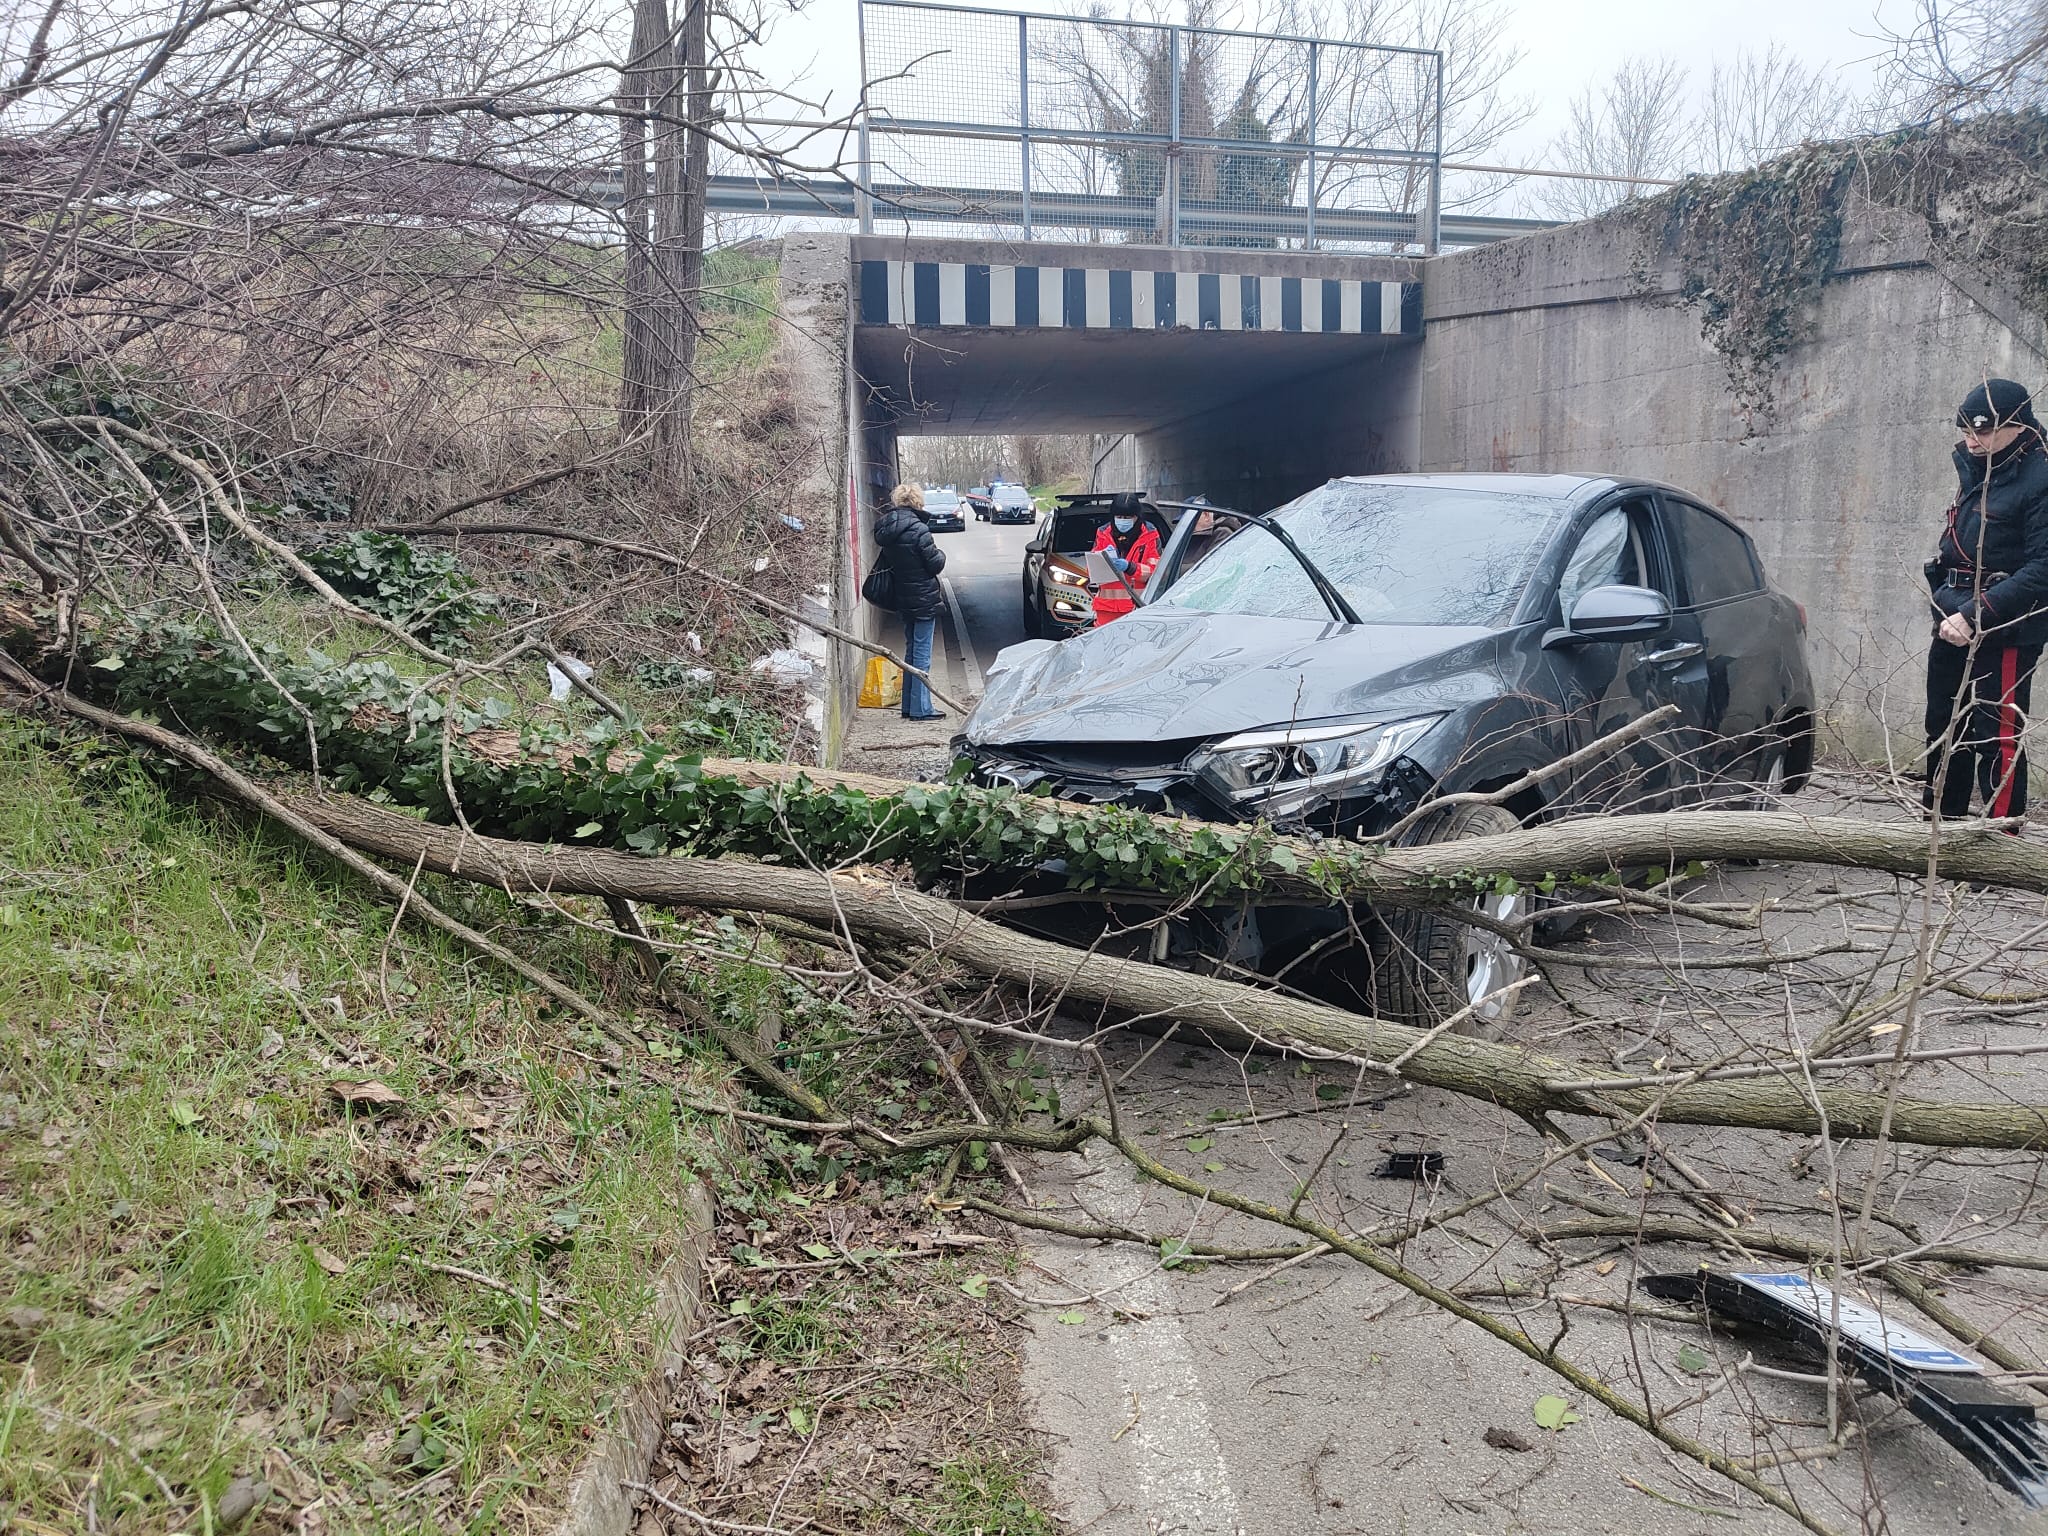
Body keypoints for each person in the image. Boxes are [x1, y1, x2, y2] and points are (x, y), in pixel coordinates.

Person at [1923, 377, 2048, 822]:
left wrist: (1977, 614)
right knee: (1943, 728)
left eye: (1982, 432)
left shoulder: (2040, 475)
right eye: (1964, 431)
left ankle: (1999, 846)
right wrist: (1947, 601)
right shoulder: (1982, 462)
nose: (1970, 442)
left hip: (2007, 621)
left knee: (1997, 736)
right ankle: (1938, 833)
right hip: (1952, 604)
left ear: (2017, 425)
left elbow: (2042, 569)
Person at [873, 483, 948, 721]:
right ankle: (921, 709)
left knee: (911, 653)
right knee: (922, 656)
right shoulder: (919, 530)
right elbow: (934, 563)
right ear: (917, 502)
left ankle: (908, 705)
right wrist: (941, 554)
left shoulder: (887, 531)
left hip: (903, 598)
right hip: (923, 599)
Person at [1089, 494, 1162, 626]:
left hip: (1137, 608)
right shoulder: (1103, 534)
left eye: (1127, 518)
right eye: (1119, 517)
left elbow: (1156, 571)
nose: (1123, 521)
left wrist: (1131, 567)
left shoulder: (1150, 535)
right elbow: (1092, 568)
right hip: (1106, 610)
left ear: (1136, 517)